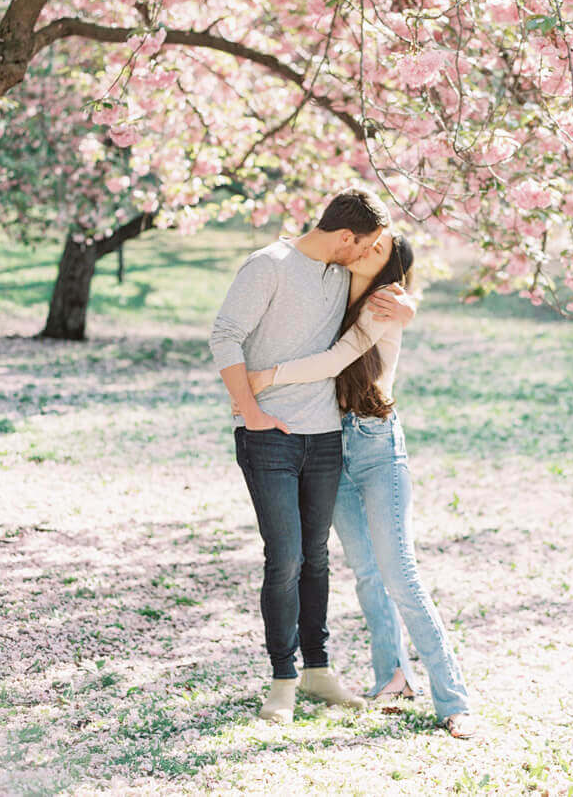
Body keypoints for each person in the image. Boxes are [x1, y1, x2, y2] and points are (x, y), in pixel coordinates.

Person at [248, 230, 479, 739]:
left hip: (376, 446)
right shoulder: (331, 294)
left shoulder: (385, 303)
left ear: (388, 267)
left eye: (376, 249)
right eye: (362, 243)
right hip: (329, 446)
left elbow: (333, 362)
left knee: (400, 574)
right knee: (367, 573)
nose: (362, 251)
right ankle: (392, 677)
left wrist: (264, 378)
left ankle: (453, 699)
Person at [208, 188, 413, 724]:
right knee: (286, 558)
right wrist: (250, 411)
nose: (367, 255)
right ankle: (283, 678)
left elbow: (378, 310)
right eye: (365, 245)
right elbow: (225, 336)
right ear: (346, 237)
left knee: (316, 558)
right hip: (268, 434)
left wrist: (409, 305)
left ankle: (319, 671)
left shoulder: (342, 275)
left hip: (324, 437)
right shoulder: (267, 266)